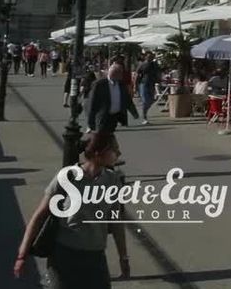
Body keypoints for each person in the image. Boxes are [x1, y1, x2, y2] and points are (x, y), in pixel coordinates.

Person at [14, 131, 130, 287]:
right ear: (98, 153)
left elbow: (116, 221)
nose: (118, 153)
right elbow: (39, 216)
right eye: (114, 149)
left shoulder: (112, 180)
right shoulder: (67, 177)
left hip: (95, 258)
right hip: (64, 257)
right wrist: (22, 255)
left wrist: (123, 257)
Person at [86, 64, 138, 133]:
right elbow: (92, 102)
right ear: (115, 74)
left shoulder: (121, 85)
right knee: (99, 137)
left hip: (114, 117)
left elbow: (127, 100)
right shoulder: (99, 84)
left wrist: (134, 113)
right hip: (102, 116)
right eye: (120, 73)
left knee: (109, 136)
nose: (122, 75)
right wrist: (90, 121)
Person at [133, 53, 161, 126]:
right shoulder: (142, 65)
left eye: (152, 57)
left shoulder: (154, 64)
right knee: (145, 101)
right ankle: (144, 117)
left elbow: (158, 73)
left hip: (152, 84)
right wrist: (135, 86)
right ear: (146, 57)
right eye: (149, 57)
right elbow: (137, 75)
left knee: (151, 100)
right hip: (143, 84)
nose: (150, 58)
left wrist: (159, 80)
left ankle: (145, 111)